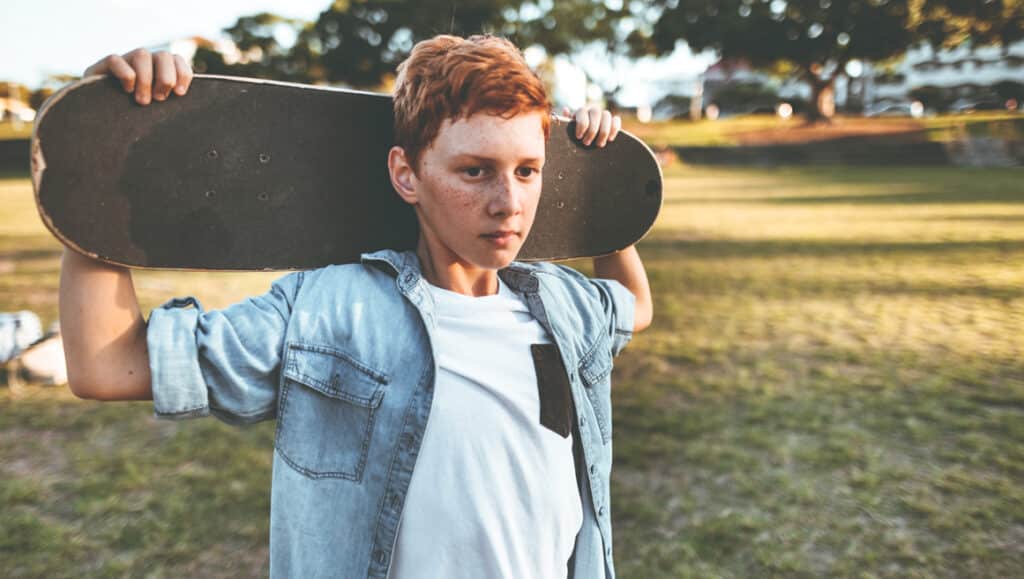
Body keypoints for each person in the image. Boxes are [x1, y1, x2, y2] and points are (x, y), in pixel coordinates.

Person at [60, 33, 653, 579]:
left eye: (528, 171)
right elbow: (108, 366)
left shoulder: (562, 302)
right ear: (406, 175)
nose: (508, 203)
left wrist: (604, 189)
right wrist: (104, 146)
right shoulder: (330, 311)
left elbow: (634, 307)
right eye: (475, 171)